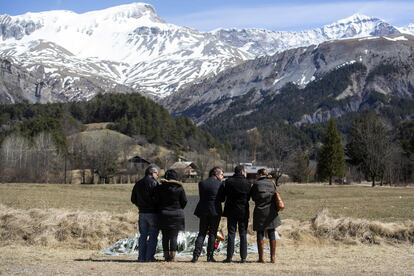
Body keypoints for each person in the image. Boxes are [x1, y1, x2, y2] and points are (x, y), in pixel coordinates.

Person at [191, 166, 224, 263]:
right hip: (215, 211)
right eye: (222, 174)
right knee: (212, 234)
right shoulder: (220, 185)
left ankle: (196, 256)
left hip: (204, 210)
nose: (222, 176)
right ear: (216, 174)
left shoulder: (202, 183)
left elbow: (202, 197)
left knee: (202, 233)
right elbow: (222, 199)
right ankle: (210, 256)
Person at [154, 169, 187, 262]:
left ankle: (166, 255)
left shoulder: (160, 188)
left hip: (163, 214)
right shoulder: (180, 188)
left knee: (165, 236)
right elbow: (184, 201)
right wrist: (179, 208)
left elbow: (156, 200)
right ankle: (172, 257)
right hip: (176, 214)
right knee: (174, 236)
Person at [250, 168, 281, 263]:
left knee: (260, 234)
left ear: (259, 174)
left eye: (257, 174)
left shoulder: (256, 184)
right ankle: (273, 257)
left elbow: (253, 198)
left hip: (260, 211)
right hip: (271, 211)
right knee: (271, 233)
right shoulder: (272, 183)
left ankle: (261, 258)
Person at [222, 165, 251, 263]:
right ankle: (243, 257)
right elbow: (249, 197)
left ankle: (229, 257)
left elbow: (225, 195)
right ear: (242, 171)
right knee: (243, 234)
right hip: (243, 210)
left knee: (231, 233)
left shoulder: (228, 182)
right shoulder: (247, 182)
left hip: (231, 210)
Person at [131, 165, 160, 262]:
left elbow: (133, 199)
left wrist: (140, 205)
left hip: (142, 213)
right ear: (152, 173)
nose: (158, 175)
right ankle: (149, 257)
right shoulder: (155, 183)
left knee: (142, 235)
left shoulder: (138, 183)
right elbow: (158, 199)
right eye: (157, 173)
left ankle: (141, 257)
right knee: (153, 235)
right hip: (153, 213)